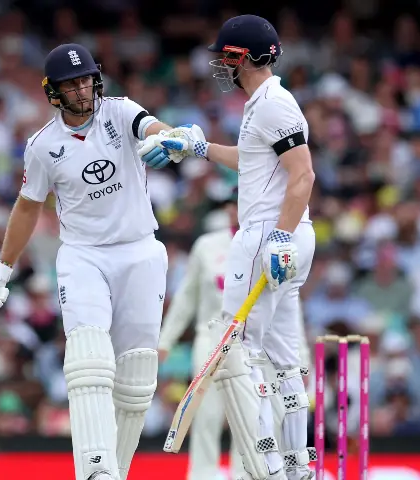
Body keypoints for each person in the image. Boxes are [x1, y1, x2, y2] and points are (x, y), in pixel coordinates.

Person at [0, 43, 181, 480]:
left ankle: (115, 471)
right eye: (72, 84)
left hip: (141, 250)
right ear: (54, 92)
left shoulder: (120, 112)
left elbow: (154, 126)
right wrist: (3, 269)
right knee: (89, 359)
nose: (82, 90)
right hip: (84, 256)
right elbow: (28, 207)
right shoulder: (42, 146)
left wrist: (168, 138)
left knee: (137, 379)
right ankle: (95, 469)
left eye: (86, 80)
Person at [139, 15, 317, 480]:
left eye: (227, 56)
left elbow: (304, 175)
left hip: (268, 233)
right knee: (280, 357)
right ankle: (297, 466)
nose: (221, 64)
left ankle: (266, 465)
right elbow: (254, 160)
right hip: (282, 233)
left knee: (237, 351)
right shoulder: (262, 103)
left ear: (247, 57)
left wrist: (278, 236)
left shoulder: (274, 103)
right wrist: (201, 148)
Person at [157, 194, 244, 480]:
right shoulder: (207, 245)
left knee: (248, 418)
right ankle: (203, 475)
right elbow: (185, 298)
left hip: (250, 343)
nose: (236, 210)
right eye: (232, 205)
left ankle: (246, 474)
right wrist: (165, 341)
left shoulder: (266, 245)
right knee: (206, 412)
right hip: (210, 337)